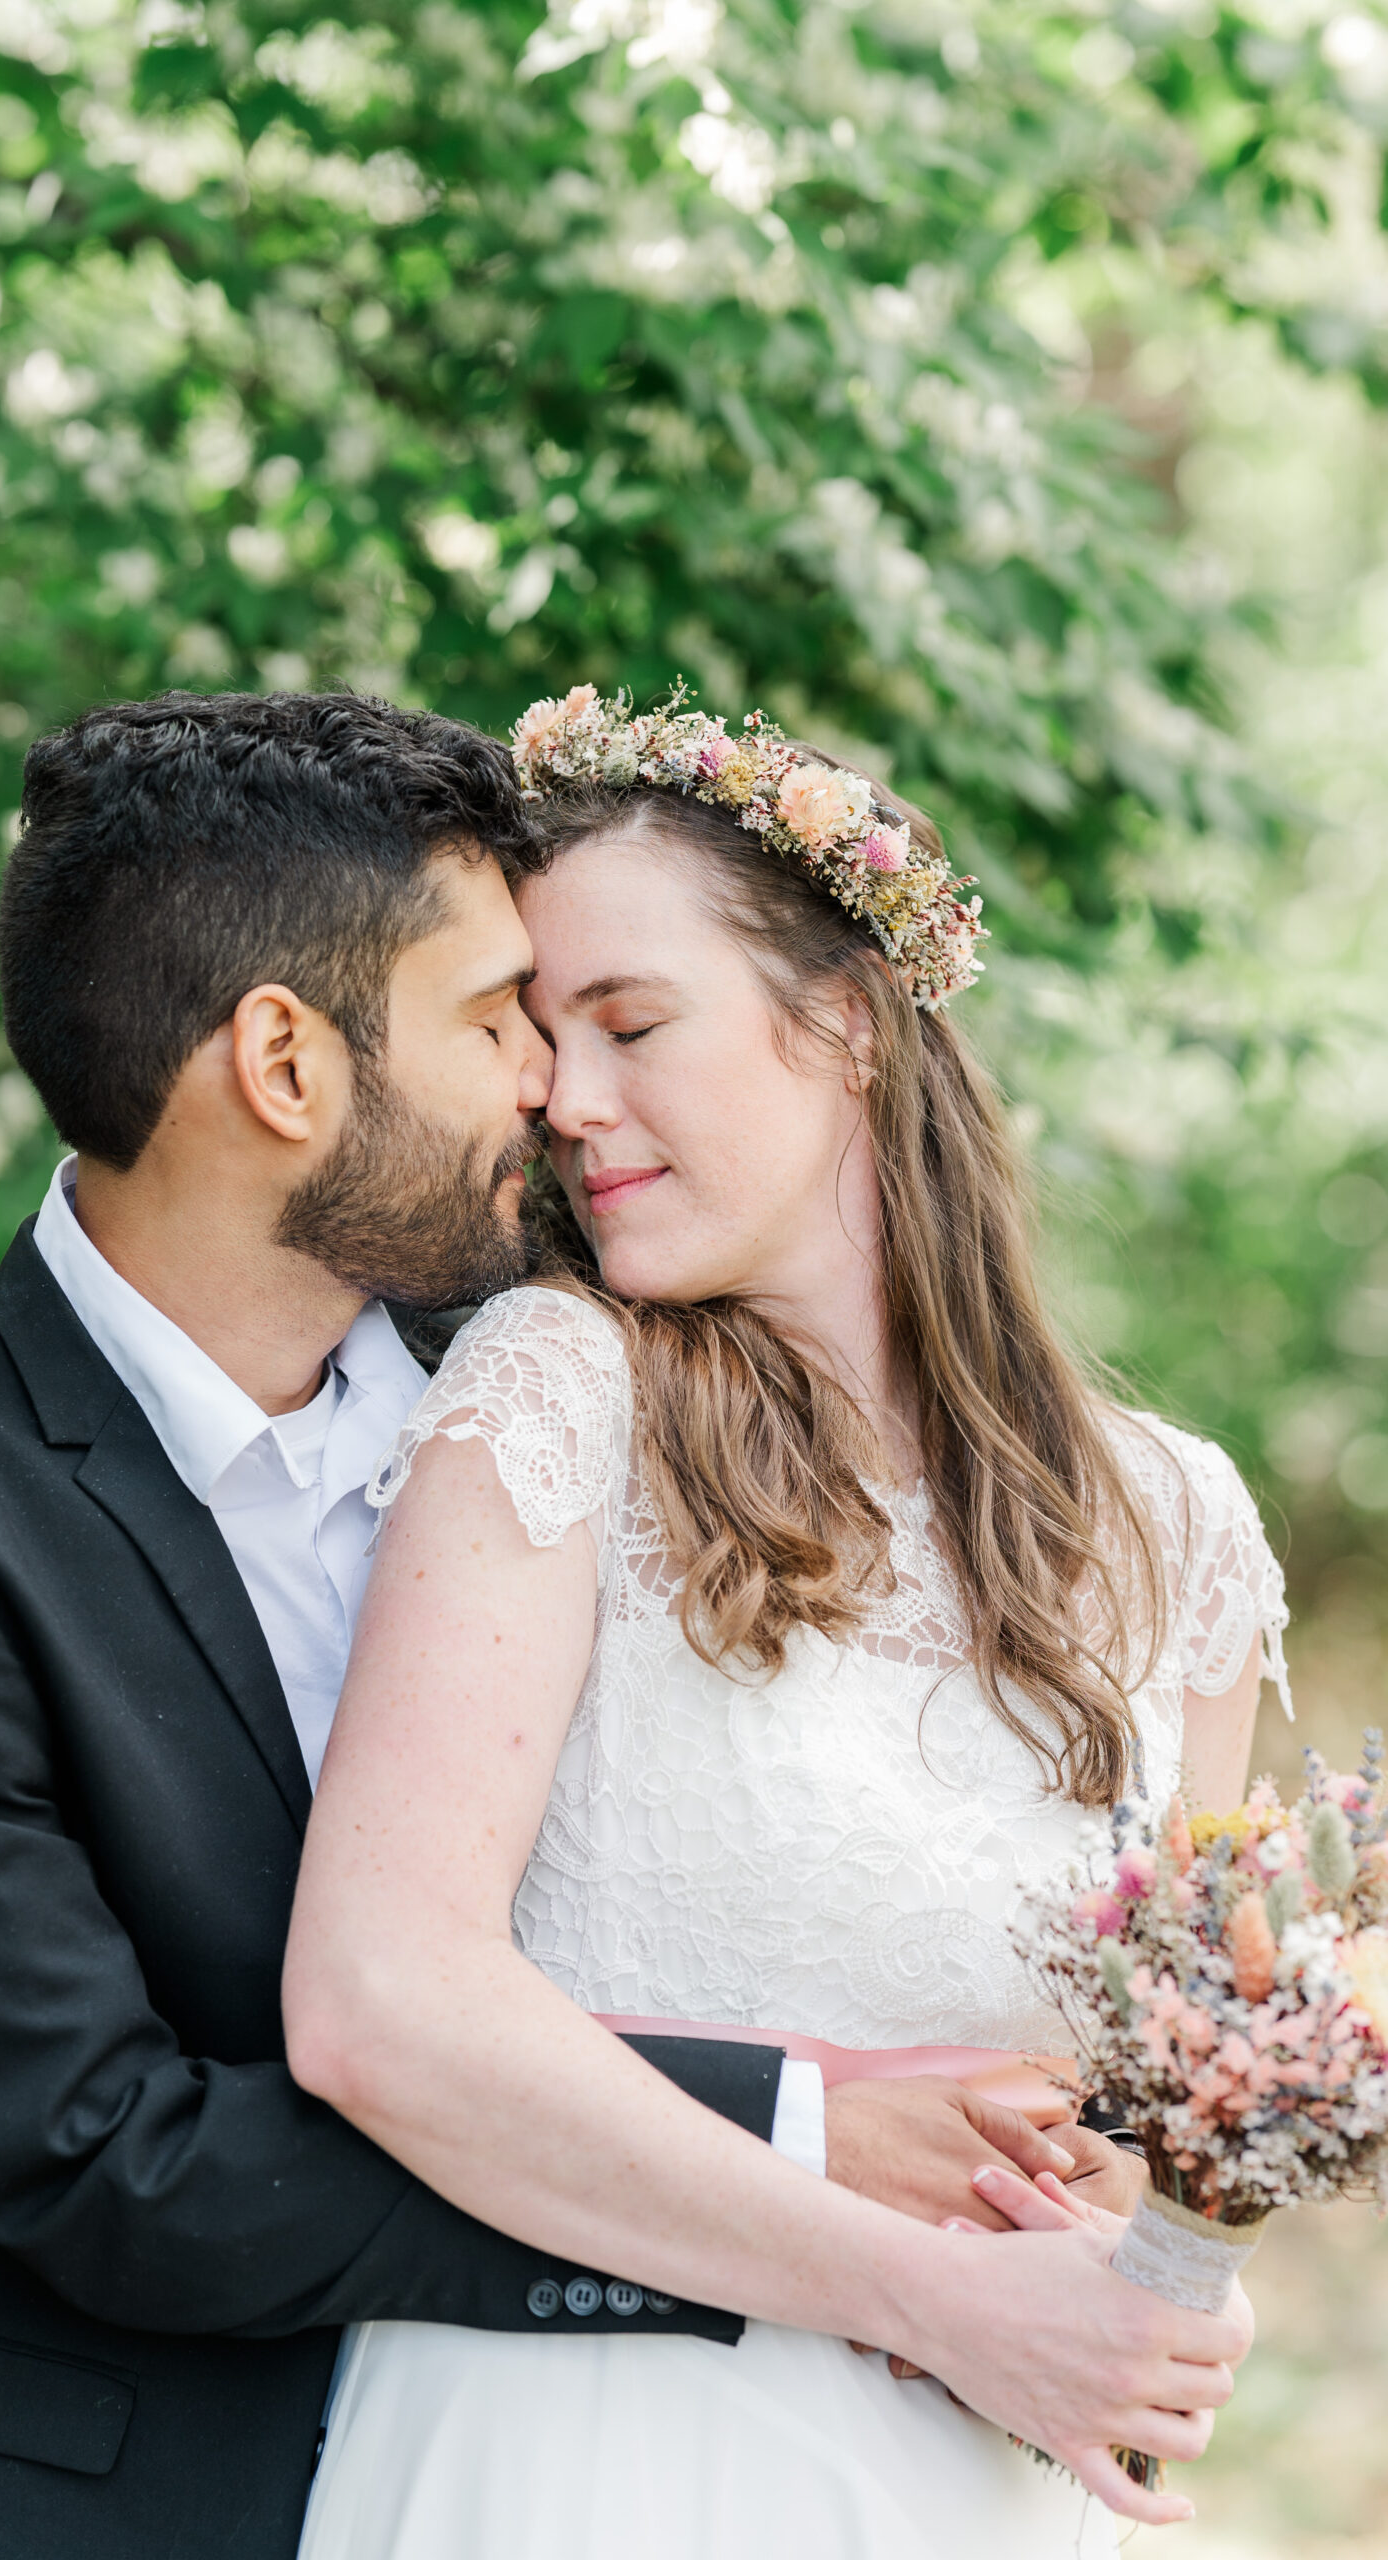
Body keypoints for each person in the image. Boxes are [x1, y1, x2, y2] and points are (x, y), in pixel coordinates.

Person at [0, 690, 1204, 2560]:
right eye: (498, 1021)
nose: (550, 1091)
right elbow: (113, 2163)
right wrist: (808, 2149)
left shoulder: (554, 1386)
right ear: (285, 1064)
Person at [283, 686, 1286, 2559]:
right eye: (542, 1040)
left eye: (631, 1023)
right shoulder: (559, 1394)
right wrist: (930, 2290)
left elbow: (1157, 2101)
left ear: (847, 1022)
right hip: (593, 2454)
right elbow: (377, 2005)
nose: (563, 1100)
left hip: (981, 2478)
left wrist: (1164, 2269)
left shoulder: (1178, 1531)